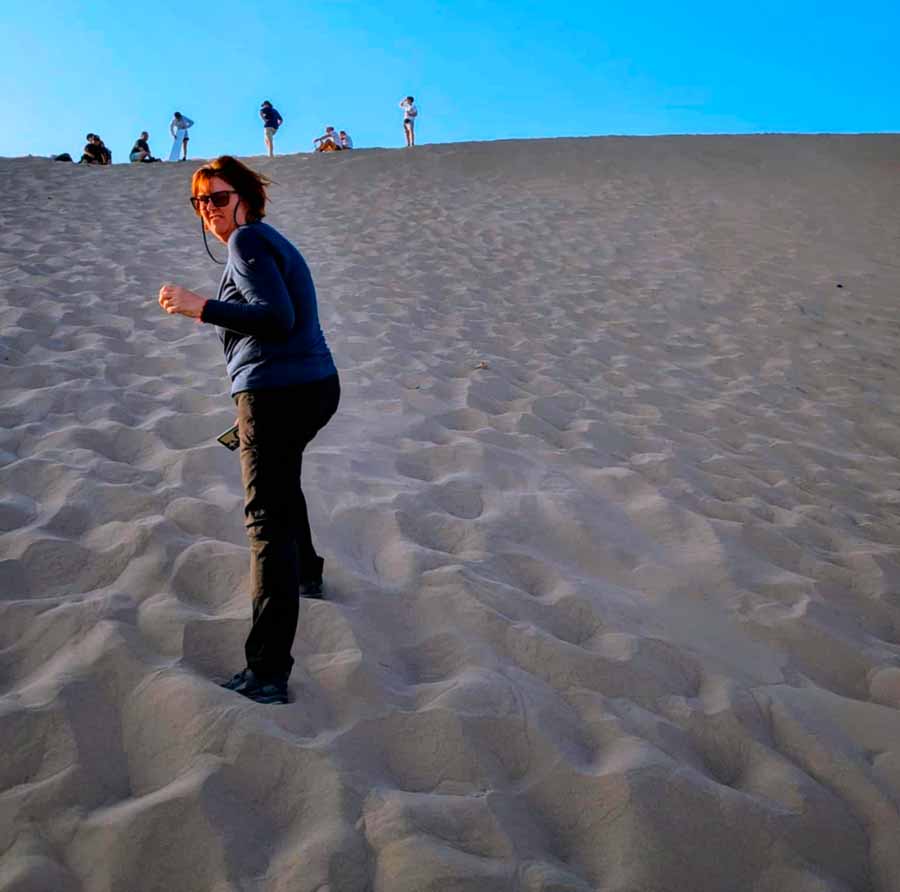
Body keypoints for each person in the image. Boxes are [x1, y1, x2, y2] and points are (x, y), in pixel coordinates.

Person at [157, 156, 340, 706]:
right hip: (312, 387)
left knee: (265, 524)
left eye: (218, 197)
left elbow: (276, 317)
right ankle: (308, 572)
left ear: (245, 197)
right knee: (285, 484)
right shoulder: (262, 241)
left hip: (278, 391)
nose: (209, 210)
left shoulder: (247, 243)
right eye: (200, 201)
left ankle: (266, 672)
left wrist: (199, 307)